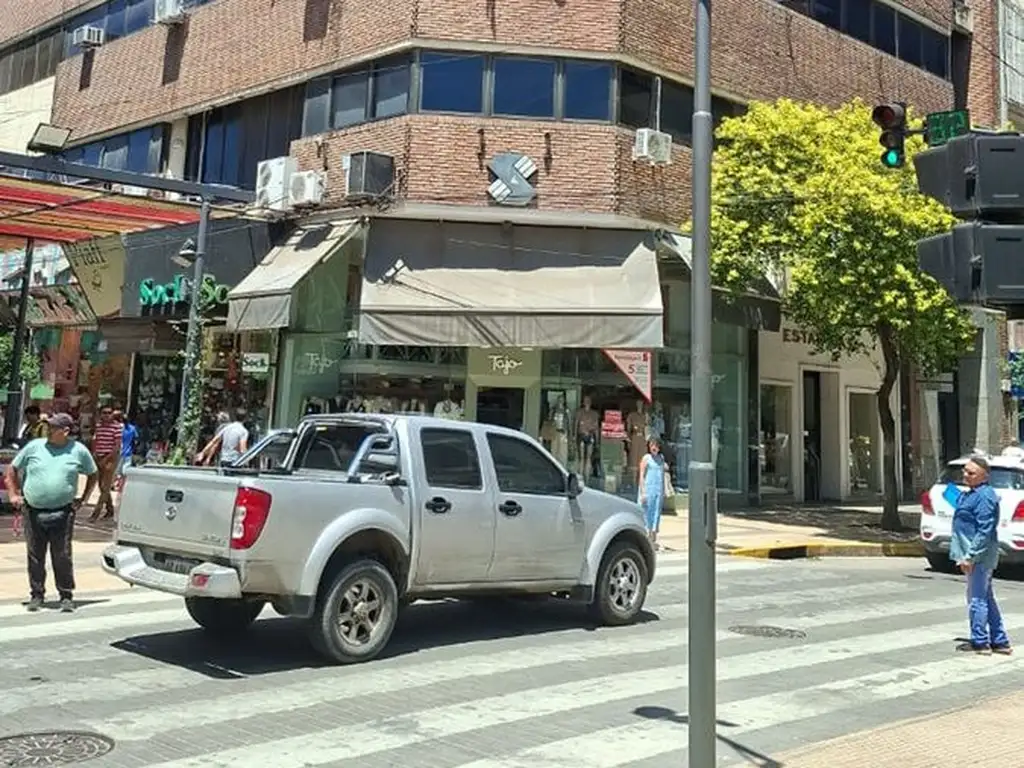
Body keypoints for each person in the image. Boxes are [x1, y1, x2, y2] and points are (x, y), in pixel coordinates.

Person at [5, 412, 98, 613]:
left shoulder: (78, 450)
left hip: (63, 512)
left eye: (53, 427)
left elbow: (93, 473)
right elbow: (12, 469)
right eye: (49, 426)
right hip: (33, 511)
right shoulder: (34, 446)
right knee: (35, 555)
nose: (48, 430)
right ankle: (37, 594)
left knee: (62, 555)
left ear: (65, 431)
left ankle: (66, 595)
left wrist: (83, 499)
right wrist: (13, 494)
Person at [949, 455, 1012, 655]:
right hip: (974, 553)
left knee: (977, 599)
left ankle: (980, 641)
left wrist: (970, 556)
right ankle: (1000, 641)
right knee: (986, 597)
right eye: (965, 471)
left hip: (979, 556)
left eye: (971, 473)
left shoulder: (985, 496)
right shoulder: (972, 494)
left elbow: (985, 530)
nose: (966, 475)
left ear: (984, 476)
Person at [88, 405, 122, 522]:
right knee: (101, 486)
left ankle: (95, 513)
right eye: (104, 413)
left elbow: (117, 446)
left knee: (105, 486)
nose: (106, 415)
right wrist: (94, 454)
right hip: (99, 457)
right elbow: (95, 441)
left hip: (110, 459)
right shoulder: (99, 426)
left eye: (109, 413)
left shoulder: (117, 427)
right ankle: (110, 509)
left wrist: (106, 459)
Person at [639, 437, 668, 549]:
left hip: (658, 490)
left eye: (656, 445)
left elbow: (663, 474)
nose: (654, 448)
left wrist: (664, 490)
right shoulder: (646, 458)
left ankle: (653, 539)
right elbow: (641, 476)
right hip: (648, 489)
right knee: (647, 513)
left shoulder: (661, 458)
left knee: (656, 513)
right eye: (651, 445)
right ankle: (646, 539)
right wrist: (643, 492)